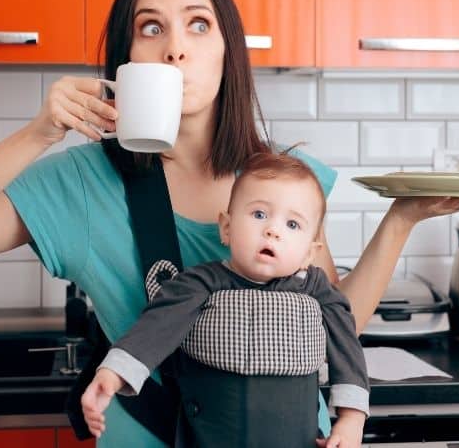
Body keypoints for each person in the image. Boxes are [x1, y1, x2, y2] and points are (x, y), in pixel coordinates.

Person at [0, 0, 459, 447]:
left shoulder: (286, 181)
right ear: (127, 59)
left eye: (198, 23)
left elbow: (332, 320)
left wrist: (400, 220)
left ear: (226, 50)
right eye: (150, 27)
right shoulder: (77, 182)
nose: (175, 47)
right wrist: (37, 133)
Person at [85, 151, 369, 448]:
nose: (272, 230)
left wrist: (352, 419)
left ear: (310, 253)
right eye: (259, 214)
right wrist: (113, 373)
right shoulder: (200, 283)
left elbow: (346, 349)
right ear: (227, 228)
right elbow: (156, 327)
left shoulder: (318, 290)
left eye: (292, 225)